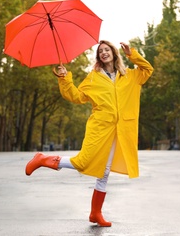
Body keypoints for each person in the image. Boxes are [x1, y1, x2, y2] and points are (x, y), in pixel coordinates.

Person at [25, 40, 153, 227]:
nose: (103, 53)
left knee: (105, 171)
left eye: (106, 49)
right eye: (100, 51)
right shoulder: (93, 78)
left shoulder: (130, 75)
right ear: (98, 57)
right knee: (84, 162)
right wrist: (64, 77)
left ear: (114, 53)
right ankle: (44, 159)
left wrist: (132, 54)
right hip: (99, 128)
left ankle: (95, 213)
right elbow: (75, 96)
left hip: (120, 130)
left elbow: (148, 69)